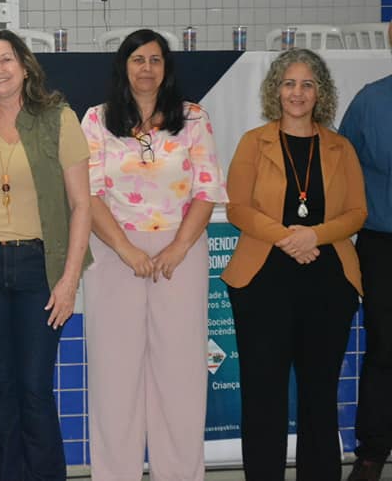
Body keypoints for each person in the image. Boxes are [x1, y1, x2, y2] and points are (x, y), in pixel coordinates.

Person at [80, 28, 227, 480]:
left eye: (155, 60)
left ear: (167, 68)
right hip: (113, 253)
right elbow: (88, 194)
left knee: (180, 376)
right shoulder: (97, 119)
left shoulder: (193, 118)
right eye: (138, 59)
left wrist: (179, 247)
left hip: (179, 255)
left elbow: (207, 189)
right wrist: (125, 249)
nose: (147, 68)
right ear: (123, 66)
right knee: (114, 378)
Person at [0, 29, 92, 481]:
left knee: (34, 389)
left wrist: (69, 280)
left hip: (40, 268)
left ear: (25, 66)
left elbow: (82, 205)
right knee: (1, 389)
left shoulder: (58, 118)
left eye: (7, 59)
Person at [224, 48, 366, 480]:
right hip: (262, 282)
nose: (297, 93)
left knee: (319, 395)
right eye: (289, 83)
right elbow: (237, 208)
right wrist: (288, 237)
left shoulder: (341, 147)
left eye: (307, 84)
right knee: (263, 395)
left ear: (320, 93)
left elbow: (357, 213)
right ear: (276, 90)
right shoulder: (253, 142)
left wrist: (313, 235)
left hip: (328, 282)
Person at [339, 69, 392, 481]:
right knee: (384, 350)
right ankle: (373, 454)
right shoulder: (370, 101)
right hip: (382, 243)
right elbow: (340, 166)